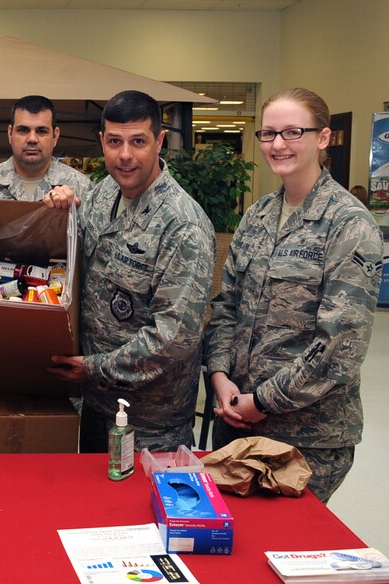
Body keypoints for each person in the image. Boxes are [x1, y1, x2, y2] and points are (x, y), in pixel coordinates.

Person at [205, 88, 383, 503]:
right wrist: (219, 376)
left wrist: (263, 401)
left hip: (307, 438)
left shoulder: (348, 225)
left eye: (292, 132)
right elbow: (226, 305)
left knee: (280, 552)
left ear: (322, 138)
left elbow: (339, 347)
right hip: (236, 420)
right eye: (268, 134)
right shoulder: (258, 215)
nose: (278, 144)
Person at [46, 90, 215, 452]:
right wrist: (58, 214)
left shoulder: (183, 226)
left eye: (138, 141)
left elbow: (174, 339)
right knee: (93, 507)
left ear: (160, 142)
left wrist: (93, 368)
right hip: (96, 405)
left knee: (137, 510)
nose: (125, 155)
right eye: (114, 141)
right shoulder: (104, 193)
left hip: (151, 423)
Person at [0, 95, 92, 201]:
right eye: (23, 130)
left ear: (55, 136)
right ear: (10, 134)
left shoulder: (81, 188)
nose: (32, 139)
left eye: (41, 131)